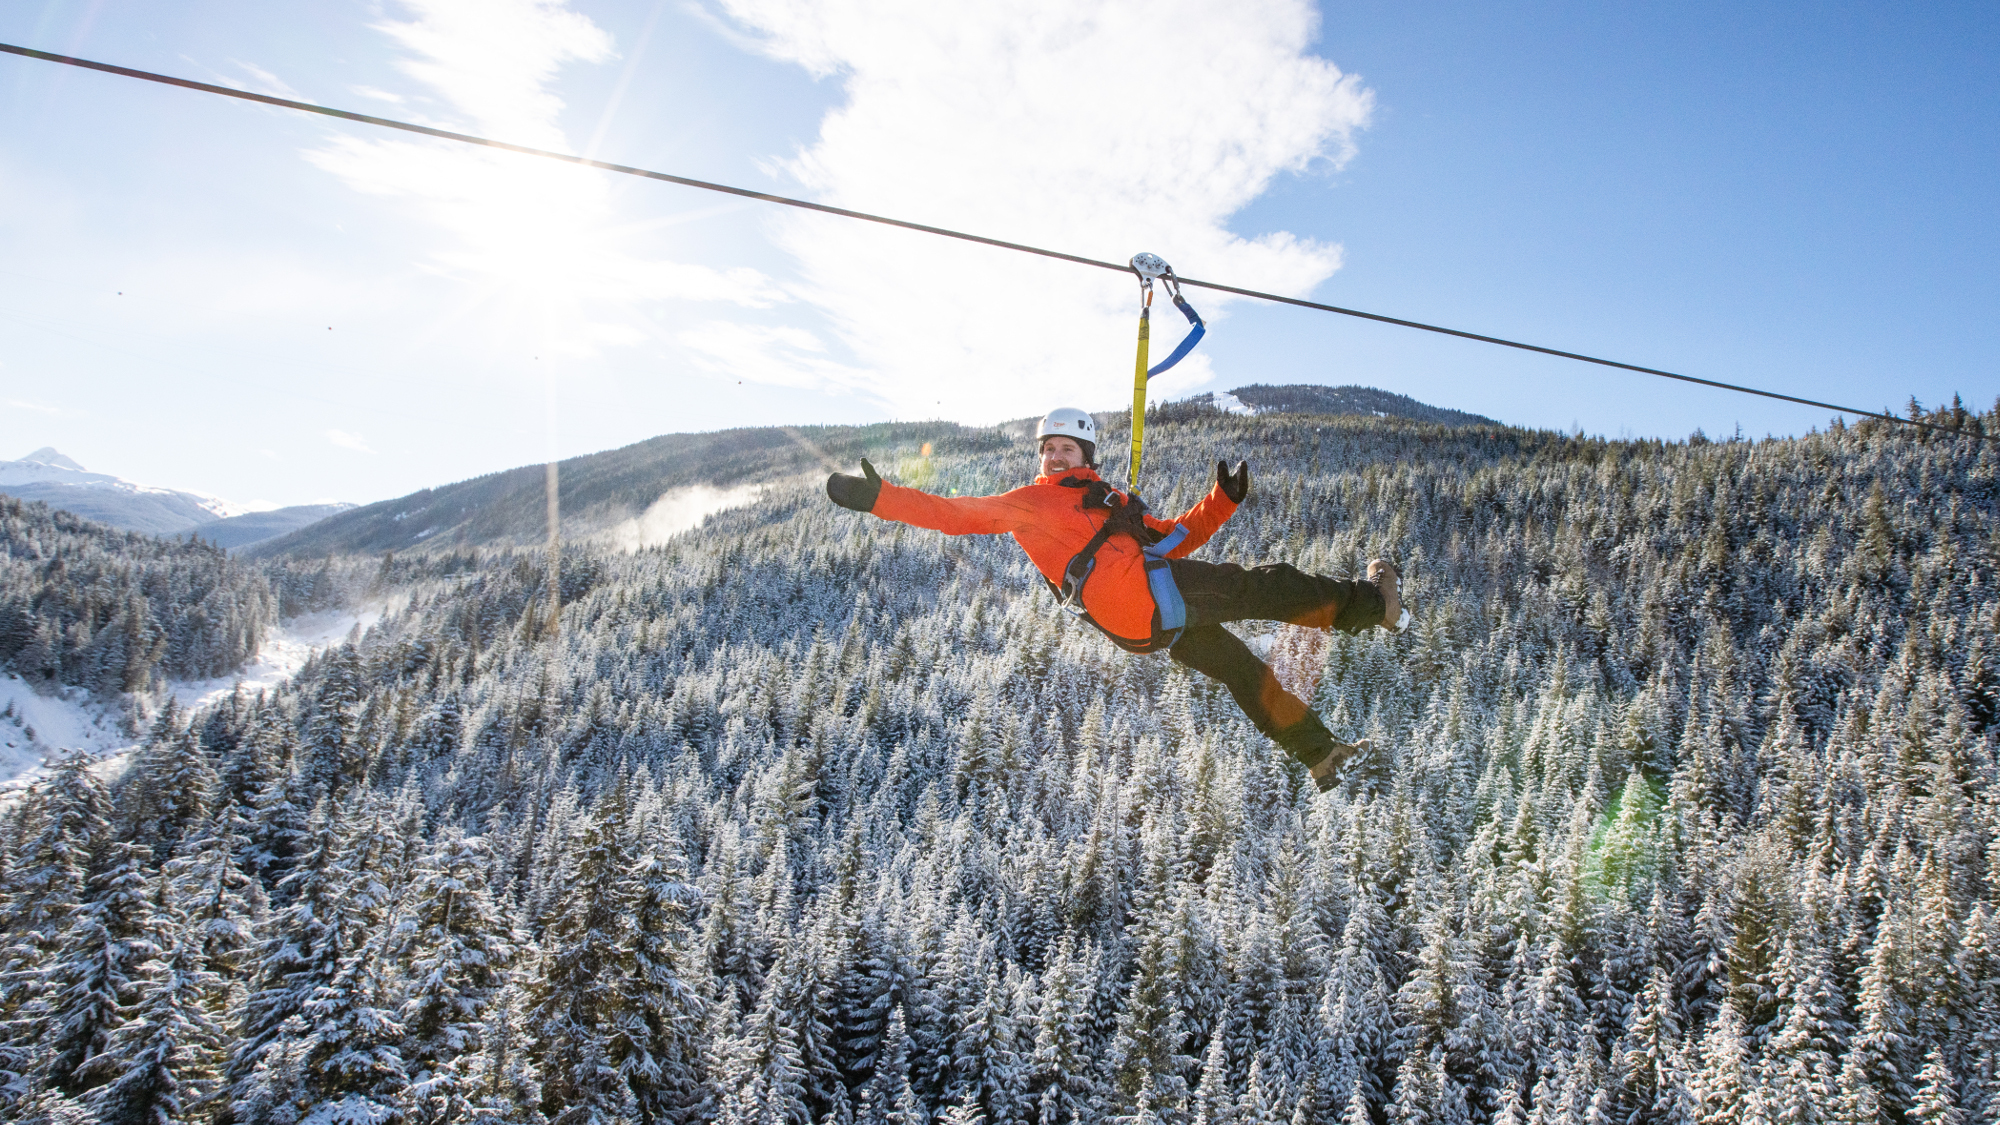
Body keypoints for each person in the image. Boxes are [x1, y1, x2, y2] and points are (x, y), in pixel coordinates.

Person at [826, 406, 1405, 792]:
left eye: (1066, 450)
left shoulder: (1111, 502)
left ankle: (1318, 753)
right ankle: (1372, 605)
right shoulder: (1036, 502)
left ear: (1087, 455)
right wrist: (881, 498)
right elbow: (958, 515)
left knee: (1239, 669)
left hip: (1141, 627)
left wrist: (1221, 501)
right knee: (1267, 585)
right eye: (1048, 449)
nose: (1054, 457)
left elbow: (1176, 538)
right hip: (1148, 602)